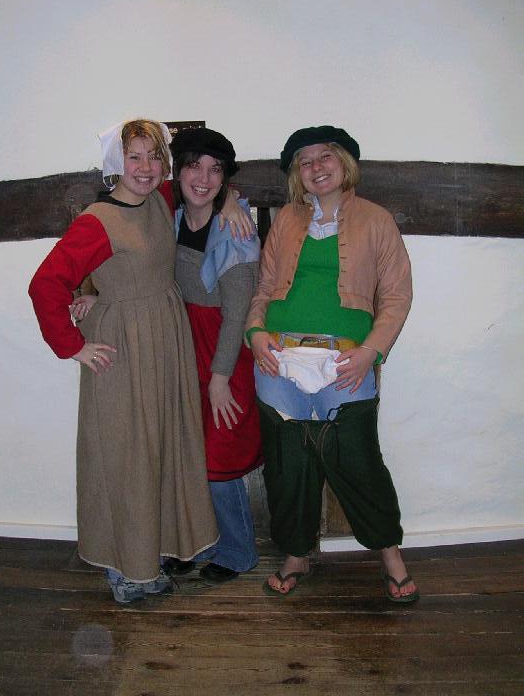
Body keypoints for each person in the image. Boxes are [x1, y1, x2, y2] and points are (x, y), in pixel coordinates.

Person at [29, 118, 234, 606]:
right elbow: (45, 284)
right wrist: (72, 345)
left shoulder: (159, 200)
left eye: (153, 156)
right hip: (123, 352)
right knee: (125, 456)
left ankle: (151, 552)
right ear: (114, 164)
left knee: (160, 449)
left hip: (164, 343)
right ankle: (124, 568)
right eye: (133, 157)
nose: (145, 167)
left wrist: (233, 203)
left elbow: (203, 188)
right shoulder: (98, 221)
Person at [246, 125, 419, 603]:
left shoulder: (377, 220)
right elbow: (264, 289)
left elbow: (397, 296)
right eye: (305, 162)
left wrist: (371, 352)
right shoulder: (286, 220)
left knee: (359, 461)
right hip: (279, 358)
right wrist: (255, 333)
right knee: (287, 466)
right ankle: (296, 555)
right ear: (297, 175)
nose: (316, 167)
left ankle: (391, 557)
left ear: (344, 163)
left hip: (345, 361)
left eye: (325, 156)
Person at [166, 127, 263, 584]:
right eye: (194, 166)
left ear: (225, 179)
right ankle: (196, 544)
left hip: (224, 352)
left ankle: (239, 551)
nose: (203, 178)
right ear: (178, 171)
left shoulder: (234, 230)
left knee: (220, 460)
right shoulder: (170, 219)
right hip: (184, 347)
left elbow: (238, 311)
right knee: (188, 453)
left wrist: (220, 377)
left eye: (215, 170)